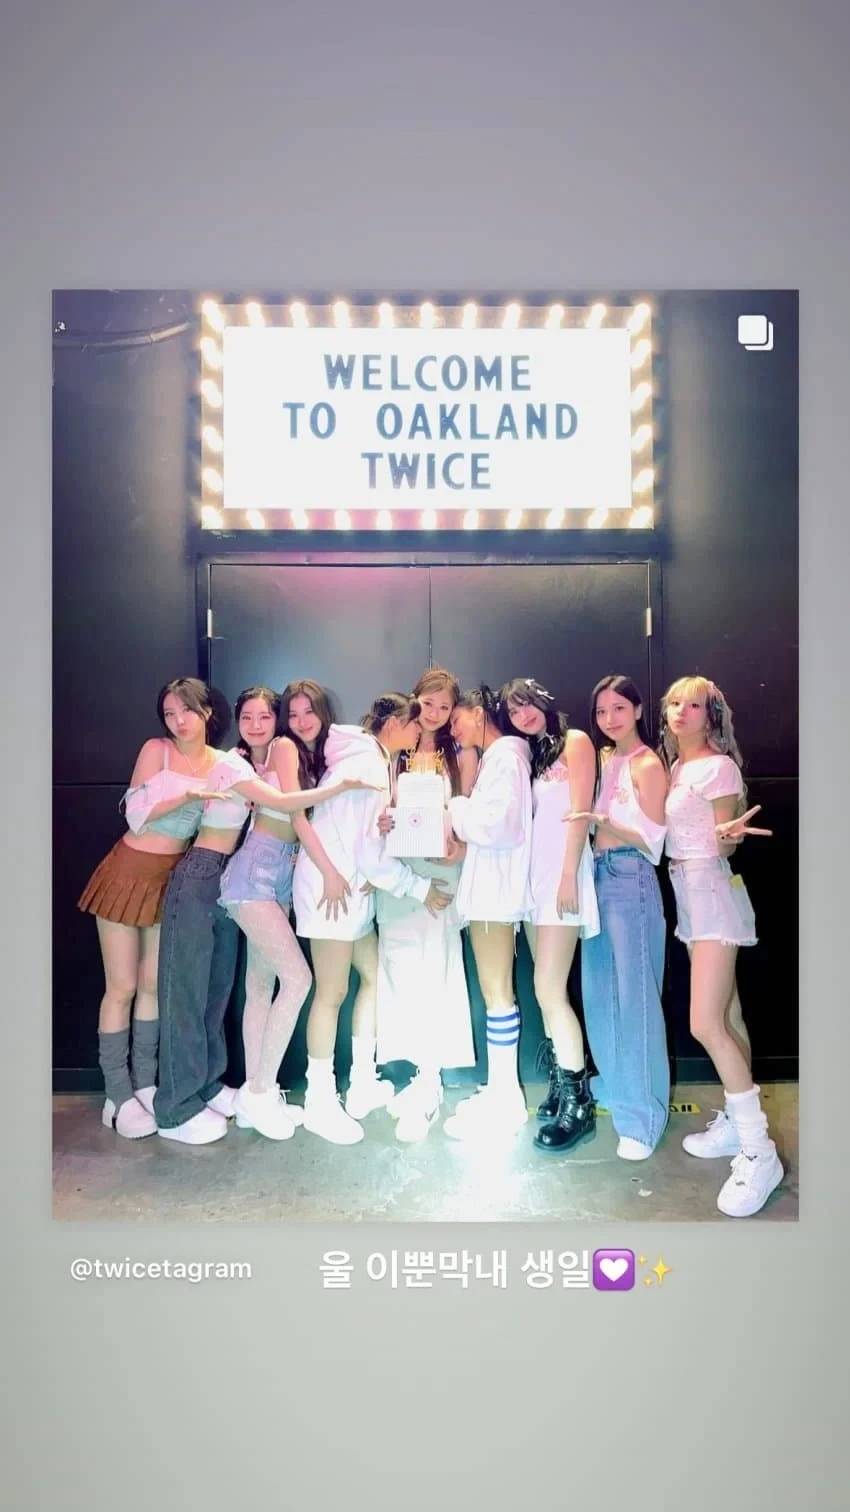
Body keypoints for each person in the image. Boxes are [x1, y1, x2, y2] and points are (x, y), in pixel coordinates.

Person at [217, 679, 375, 1142]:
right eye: (293, 714)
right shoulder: (286, 748)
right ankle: (260, 1093)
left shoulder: (288, 754)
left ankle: (254, 1096)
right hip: (255, 876)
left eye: (267, 716)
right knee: (298, 979)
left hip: (277, 875)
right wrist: (329, 870)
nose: (299, 722)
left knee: (259, 985)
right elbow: (295, 813)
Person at [292, 692, 451, 1145]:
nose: (420, 730)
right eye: (414, 723)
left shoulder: (369, 759)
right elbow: (367, 852)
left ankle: (362, 1082)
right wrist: (419, 888)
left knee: (371, 978)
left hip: (351, 891)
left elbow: (361, 840)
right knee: (331, 994)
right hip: (333, 896)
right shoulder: (367, 764)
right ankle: (320, 1101)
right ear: (394, 724)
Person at [77, 676, 230, 1138]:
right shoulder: (156, 750)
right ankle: (117, 1096)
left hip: (171, 882)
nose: (179, 721)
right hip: (127, 873)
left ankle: (144, 1085)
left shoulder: (222, 762)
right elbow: (136, 813)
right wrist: (188, 795)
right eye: (169, 713)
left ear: (207, 712)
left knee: (151, 986)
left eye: (187, 710)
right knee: (121, 986)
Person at [660, 674, 781, 1217]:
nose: (681, 712)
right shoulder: (676, 767)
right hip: (689, 896)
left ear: (711, 715)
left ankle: (759, 1151)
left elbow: (724, 843)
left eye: (693, 705)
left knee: (705, 1023)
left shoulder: (718, 767)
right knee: (728, 1015)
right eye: (674, 703)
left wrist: (727, 838)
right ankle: (736, 1125)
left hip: (711, 892)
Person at [567, 674, 670, 1160]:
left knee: (636, 1002)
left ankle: (644, 1119)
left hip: (631, 878)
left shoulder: (647, 763)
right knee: (599, 994)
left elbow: (654, 842)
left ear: (638, 710)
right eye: (602, 711)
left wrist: (605, 824)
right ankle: (617, 1087)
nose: (609, 719)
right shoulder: (607, 760)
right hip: (599, 876)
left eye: (619, 709)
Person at [376, 667, 477, 1143]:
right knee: (399, 970)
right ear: (414, 700)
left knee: (436, 968)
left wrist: (460, 849)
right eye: (428, 703)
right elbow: (378, 810)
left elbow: (472, 814)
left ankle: (431, 1079)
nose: (434, 713)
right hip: (397, 876)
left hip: (439, 871)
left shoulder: (462, 754)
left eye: (444, 706)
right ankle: (416, 1072)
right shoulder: (393, 751)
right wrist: (380, 823)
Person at [502, 677, 599, 1152]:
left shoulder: (576, 741)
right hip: (534, 886)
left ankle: (580, 1104)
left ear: (543, 700)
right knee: (546, 994)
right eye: (513, 710)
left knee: (549, 990)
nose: (523, 715)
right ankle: (563, 1084)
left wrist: (568, 876)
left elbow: (580, 813)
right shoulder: (532, 755)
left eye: (527, 704)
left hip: (563, 880)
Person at [440, 684, 534, 1143]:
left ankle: (506, 1097)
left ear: (479, 713)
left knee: (497, 994)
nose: (454, 730)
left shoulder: (506, 757)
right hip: (490, 892)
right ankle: (501, 1089)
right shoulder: (502, 758)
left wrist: (456, 806)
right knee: (496, 992)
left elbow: (498, 827)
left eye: (457, 719)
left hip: (496, 894)